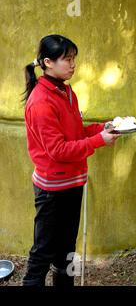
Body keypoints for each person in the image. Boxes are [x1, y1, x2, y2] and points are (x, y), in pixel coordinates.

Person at [22, 34, 121, 286]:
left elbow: (75, 133)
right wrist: (100, 140)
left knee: (66, 250)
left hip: (72, 183)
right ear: (48, 62)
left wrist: (104, 128)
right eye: (67, 59)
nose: (73, 64)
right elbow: (58, 150)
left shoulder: (66, 91)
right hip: (52, 189)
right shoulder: (41, 101)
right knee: (43, 252)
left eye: (73, 59)